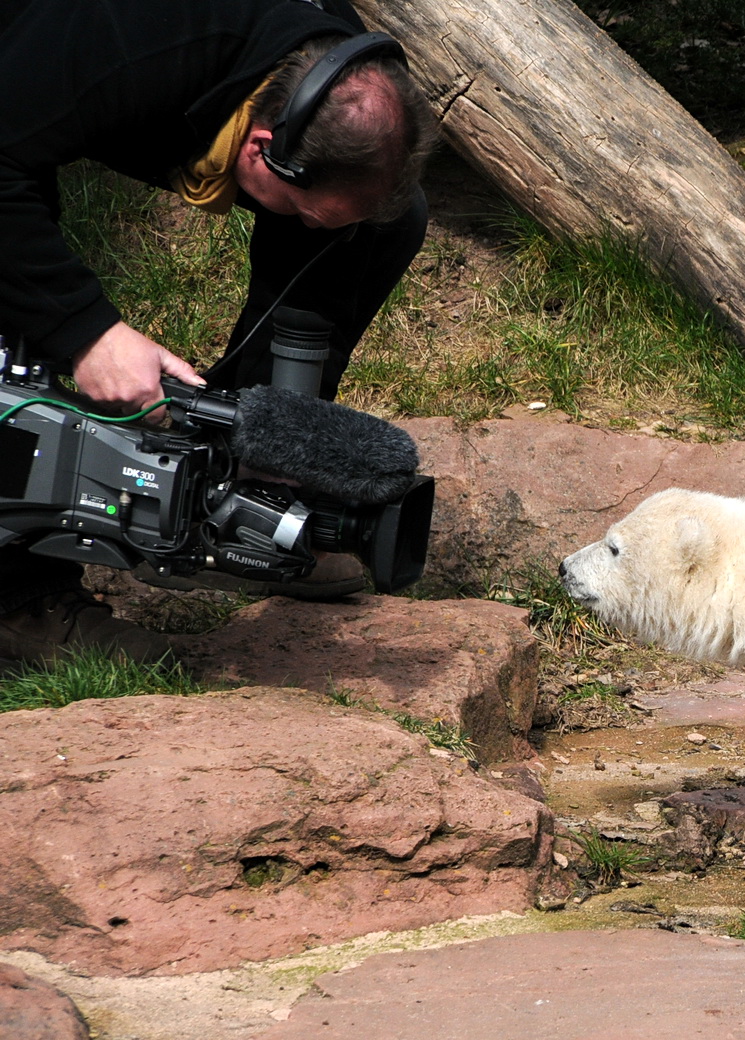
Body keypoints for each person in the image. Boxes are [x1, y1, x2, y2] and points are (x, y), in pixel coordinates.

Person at [0, 0, 438, 665]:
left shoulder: (330, 63)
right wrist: (87, 333)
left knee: (372, 228)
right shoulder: (127, 38)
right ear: (263, 149)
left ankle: (233, 505)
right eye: (303, 208)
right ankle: (19, 600)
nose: (310, 223)